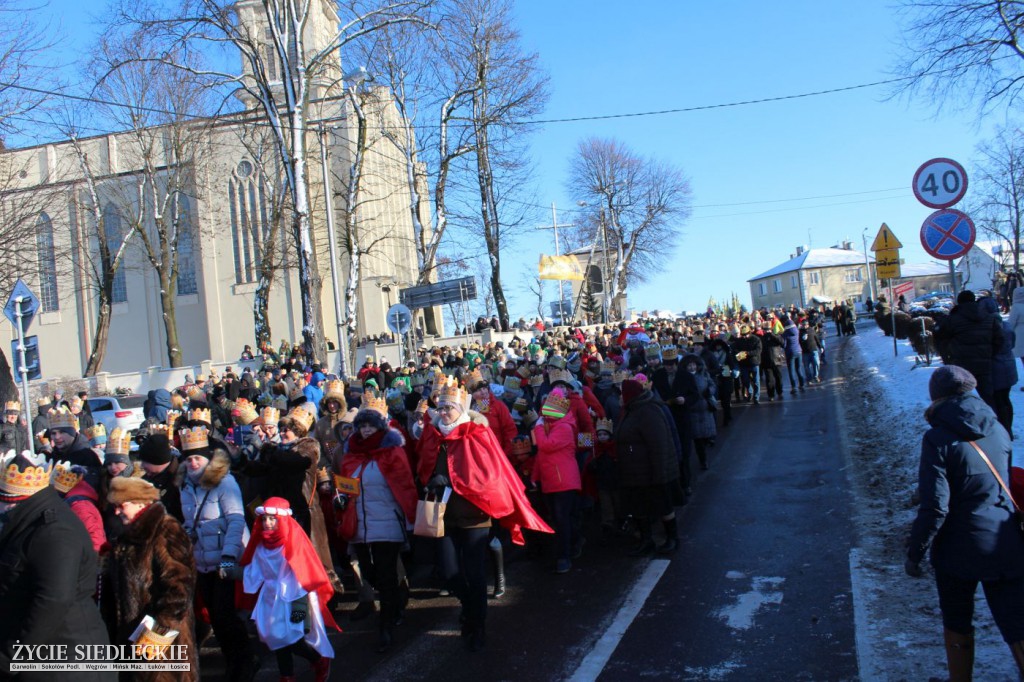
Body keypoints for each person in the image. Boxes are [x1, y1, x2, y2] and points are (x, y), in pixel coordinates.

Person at [415, 376, 552, 651]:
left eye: (449, 408)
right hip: (443, 516)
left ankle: (477, 625)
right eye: (440, 407)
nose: (443, 412)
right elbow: (423, 466)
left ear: (462, 409)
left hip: (475, 517)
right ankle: (469, 607)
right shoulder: (435, 435)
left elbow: (487, 476)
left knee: (475, 574)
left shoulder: (477, 433)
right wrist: (430, 479)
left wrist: (452, 482)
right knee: (452, 575)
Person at [905, 366, 1024, 680]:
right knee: (1016, 623)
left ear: (936, 398)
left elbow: (936, 507)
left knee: (957, 620)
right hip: (1004, 539)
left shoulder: (937, 439)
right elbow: (1005, 482)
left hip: (957, 550)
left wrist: (915, 551)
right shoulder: (998, 427)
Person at [0, 451, 114, 680]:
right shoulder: (28, 522)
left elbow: (53, 599)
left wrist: (14, 655)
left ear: (14, 502)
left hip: (64, 657)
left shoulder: (54, 532)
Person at [334, 397, 417, 652]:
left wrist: (411, 518)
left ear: (380, 427)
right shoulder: (351, 455)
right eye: (362, 426)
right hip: (359, 525)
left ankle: (386, 626)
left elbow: (405, 484)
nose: (366, 430)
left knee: (385, 572)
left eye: (370, 425)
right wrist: (341, 499)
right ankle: (395, 599)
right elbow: (345, 486)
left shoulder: (392, 452)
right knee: (369, 574)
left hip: (387, 523)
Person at [177, 425, 257, 682]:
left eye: (197, 458)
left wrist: (229, 556)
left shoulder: (225, 482)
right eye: (188, 458)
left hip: (226, 557)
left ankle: (243, 660)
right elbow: (191, 520)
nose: (192, 463)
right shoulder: (185, 486)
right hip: (203, 559)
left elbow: (235, 520)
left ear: (208, 458)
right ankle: (232, 657)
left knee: (225, 615)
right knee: (214, 614)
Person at [105, 477, 198, 680]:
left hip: (163, 647)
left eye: (121, 505)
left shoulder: (166, 529)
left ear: (140, 502)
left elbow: (179, 590)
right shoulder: (127, 535)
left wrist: (155, 637)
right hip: (131, 640)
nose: (116, 511)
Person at [239, 499, 335, 682]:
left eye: (272, 519)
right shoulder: (261, 546)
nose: (267, 523)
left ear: (281, 520)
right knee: (275, 640)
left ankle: (318, 659)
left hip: (289, 598)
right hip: (269, 600)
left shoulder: (291, 544)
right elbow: (254, 572)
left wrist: (300, 605)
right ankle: (287, 676)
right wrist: (230, 571)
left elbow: (302, 574)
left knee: (292, 640)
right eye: (265, 519)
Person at [616, 378, 680, 556]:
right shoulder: (630, 410)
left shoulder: (648, 411)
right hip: (635, 471)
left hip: (650, 470)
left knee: (663, 506)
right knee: (639, 507)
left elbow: (658, 444)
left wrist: (660, 474)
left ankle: (672, 538)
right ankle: (646, 540)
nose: (619, 397)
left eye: (622, 393)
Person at [532, 388, 581, 574]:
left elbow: (545, 445)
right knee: (558, 518)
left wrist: (537, 426)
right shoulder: (548, 425)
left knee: (562, 519)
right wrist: (535, 476)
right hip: (550, 478)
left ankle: (564, 555)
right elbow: (541, 453)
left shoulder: (564, 426)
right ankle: (574, 541)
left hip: (564, 479)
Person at [934, 289, 1003, 407]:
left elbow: (940, 338)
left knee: (964, 399)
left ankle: (969, 422)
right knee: (988, 399)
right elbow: (999, 340)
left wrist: (948, 359)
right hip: (984, 364)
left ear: (958, 302)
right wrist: (989, 355)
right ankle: (991, 421)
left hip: (961, 365)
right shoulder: (988, 317)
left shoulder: (952, 319)